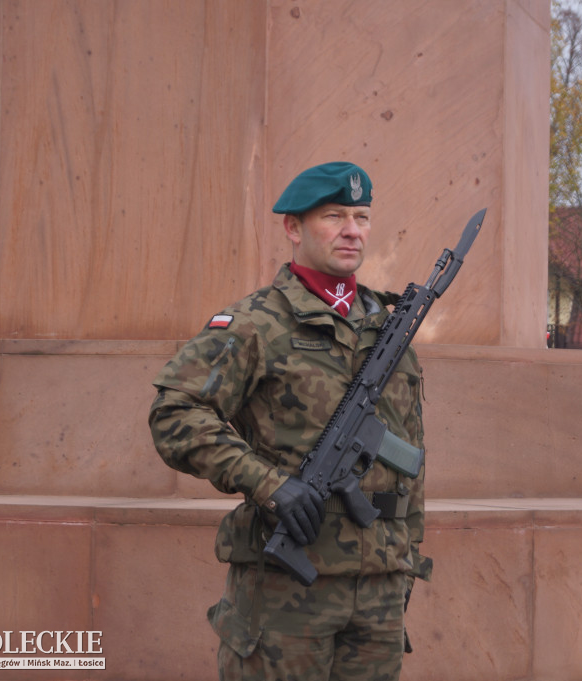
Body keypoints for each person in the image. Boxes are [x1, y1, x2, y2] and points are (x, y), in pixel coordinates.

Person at [149, 161, 431, 680]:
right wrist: (269, 484)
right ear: (294, 228)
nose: (352, 230)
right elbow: (174, 413)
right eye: (334, 215)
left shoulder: (388, 330)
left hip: (379, 593)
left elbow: (410, 455)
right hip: (287, 592)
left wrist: (407, 557)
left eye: (362, 217)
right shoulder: (256, 324)